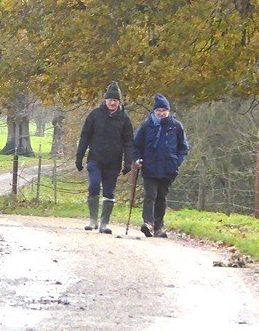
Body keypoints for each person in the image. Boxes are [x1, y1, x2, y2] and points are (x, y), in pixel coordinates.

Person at [75, 81, 134, 234]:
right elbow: (85, 136)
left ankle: (104, 223)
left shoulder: (124, 119)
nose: (112, 103)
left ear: (119, 102)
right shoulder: (95, 115)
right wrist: (79, 156)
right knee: (94, 185)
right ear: (105, 100)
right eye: (110, 100)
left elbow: (128, 142)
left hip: (113, 162)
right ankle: (93, 220)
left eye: (115, 100)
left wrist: (128, 162)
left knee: (109, 191)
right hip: (95, 159)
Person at [133, 93, 189, 238]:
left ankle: (158, 227)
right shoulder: (146, 126)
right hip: (149, 166)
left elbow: (183, 147)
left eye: (164, 110)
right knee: (150, 195)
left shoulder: (176, 126)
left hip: (168, 168)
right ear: (154, 111)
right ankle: (148, 224)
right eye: (158, 111)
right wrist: (138, 158)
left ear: (169, 111)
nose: (161, 113)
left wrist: (176, 162)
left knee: (161, 197)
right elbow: (136, 145)